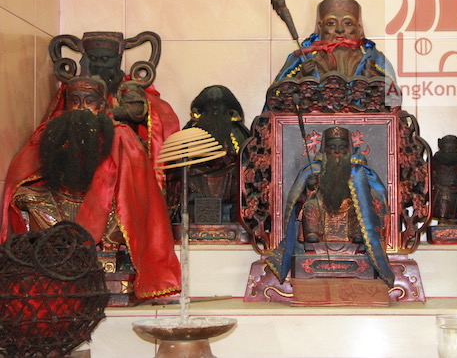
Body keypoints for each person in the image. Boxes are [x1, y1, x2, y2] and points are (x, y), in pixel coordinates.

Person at [0, 76, 181, 299]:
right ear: (66, 103)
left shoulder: (120, 134)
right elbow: (25, 169)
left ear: (102, 104)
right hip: (58, 204)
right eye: (75, 101)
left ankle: (91, 248)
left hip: (105, 211)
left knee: (127, 218)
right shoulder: (52, 131)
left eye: (89, 101)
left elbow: (138, 186)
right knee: (25, 197)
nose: (81, 108)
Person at [265, 126, 394, 287]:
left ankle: (357, 236)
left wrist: (364, 198)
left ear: (349, 149)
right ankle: (313, 234)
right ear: (325, 150)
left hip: (349, 205)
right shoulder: (314, 168)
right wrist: (310, 186)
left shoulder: (359, 170)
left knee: (357, 210)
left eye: (342, 148)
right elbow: (299, 198)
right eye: (332, 148)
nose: (337, 152)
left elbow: (376, 194)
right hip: (322, 205)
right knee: (310, 206)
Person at [47, 31, 180, 187]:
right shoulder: (78, 87)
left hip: (122, 150)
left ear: (118, 60)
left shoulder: (126, 88)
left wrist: (112, 113)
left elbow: (138, 110)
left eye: (105, 59)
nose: (99, 65)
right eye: (93, 59)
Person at [166, 85, 250, 223]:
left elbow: (246, 158)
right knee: (187, 177)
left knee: (240, 178)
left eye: (219, 103)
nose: (215, 108)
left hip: (229, 173)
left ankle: (236, 217)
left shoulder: (236, 131)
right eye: (211, 104)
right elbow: (178, 159)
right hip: (199, 173)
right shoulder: (191, 130)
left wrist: (227, 160)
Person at [273, 0, 397, 82]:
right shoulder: (303, 56)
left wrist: (375, 79)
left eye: (347, 23)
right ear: (320, 27)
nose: (339, 29)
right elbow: (278, 97)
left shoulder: (373, 56)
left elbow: (393, 99)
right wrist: (302, 75)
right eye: (331, 23)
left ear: (358, 28)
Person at [431, 135, 457, 223]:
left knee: (455, 214)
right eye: (447, 147)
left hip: (456, 191)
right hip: (442, 190)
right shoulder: (437, 159)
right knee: (443, 213)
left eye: (452, 147)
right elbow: (429, 175)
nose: (450, 150)